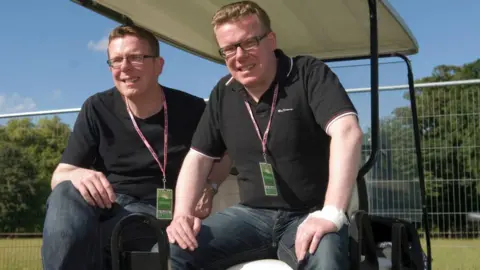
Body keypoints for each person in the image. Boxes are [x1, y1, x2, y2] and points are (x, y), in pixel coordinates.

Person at [165, 1, 363, 269]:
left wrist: (330, 212)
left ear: (271, 40)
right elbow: (198, 157)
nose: (239, 55)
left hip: (309, 212)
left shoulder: (307, 73)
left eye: (249, 43)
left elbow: (347, 131)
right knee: (168, 252)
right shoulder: (223, 92)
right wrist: (181, 215)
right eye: (228, 49)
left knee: (326, 257)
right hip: (251, 215)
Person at [41, 24, 231, 270]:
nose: (125, 68)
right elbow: (59, 177)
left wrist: (210, 186)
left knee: (129, 237)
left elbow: (223, 156)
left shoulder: (192, 109)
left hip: (159, 212)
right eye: (116, 60)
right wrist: (77, 173)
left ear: (158, 65)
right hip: (107, 206)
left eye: (135, 57)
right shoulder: (96, 107)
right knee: (66, 192)